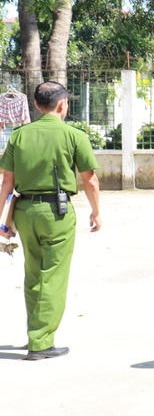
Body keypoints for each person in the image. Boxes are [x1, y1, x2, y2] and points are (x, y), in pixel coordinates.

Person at [0, 81, 101, 360]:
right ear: (62, 104)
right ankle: (41, 342)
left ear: (35, 105)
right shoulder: (73, 135)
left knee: (33, 273)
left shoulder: (19, 135)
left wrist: (2, 222)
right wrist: (96, 211)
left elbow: (6, 182)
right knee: (53, 276)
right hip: (56, 213)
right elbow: (90, 180)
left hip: (25, 212)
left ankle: (35, 332)